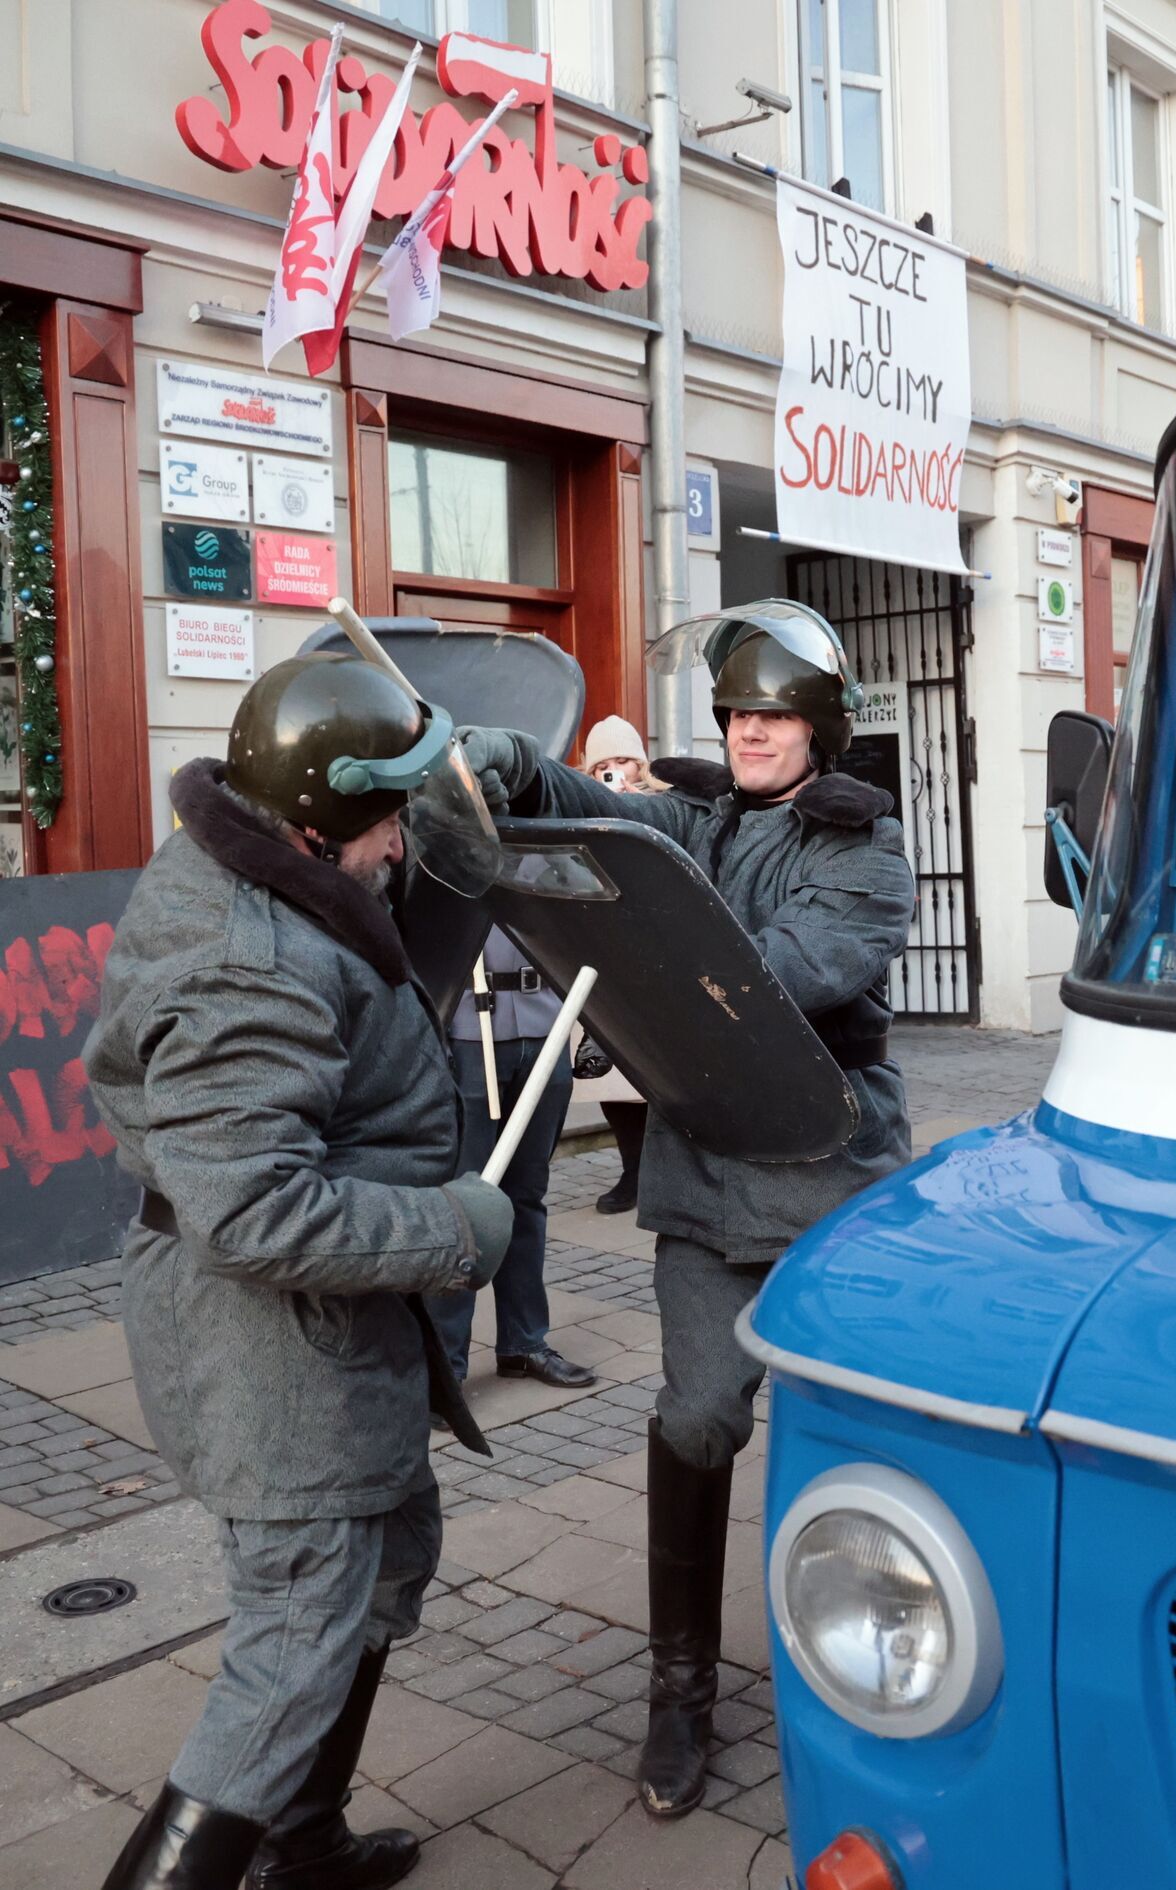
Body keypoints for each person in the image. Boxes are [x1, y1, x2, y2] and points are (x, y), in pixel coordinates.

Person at [458, 601, 915, 1819]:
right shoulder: (698, 820)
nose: (751, 732)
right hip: (708, 1188)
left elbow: (782, 980)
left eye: (773, 714)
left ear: (819, 727)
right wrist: (516, 765)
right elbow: (603, 821)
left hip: (833, 1189)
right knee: (700, 1416)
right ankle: (679, 1697)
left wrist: (659, 950)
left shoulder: (863, 852)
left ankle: (885, 1664)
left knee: (852, 1447)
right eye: (737, 714)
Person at [85, 653, 515, 1890]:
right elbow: (255, 1210)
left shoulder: (252, 842)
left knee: (382, 1563)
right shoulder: (249, 954)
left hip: (320, 1336)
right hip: (274, 1351)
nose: (399, 845)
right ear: (322, 819)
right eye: (387, 819)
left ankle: (298, 1841)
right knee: (287, 1654)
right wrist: (457, 1229)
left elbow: (412, 841)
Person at [428, 924, 595, 1390]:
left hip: (548, 1025)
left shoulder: (552, 854)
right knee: (464, 1204)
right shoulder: (449, 854)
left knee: (526, 1196)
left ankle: (524, 1342)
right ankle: (446, 1362)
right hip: (467, 1031)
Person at [576, 717, 658, 1214]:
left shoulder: (664, 807)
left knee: (656, 1071)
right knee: (607, 1070)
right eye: (601, 766)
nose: (613, 771)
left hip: (652, 957)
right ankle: (632, 1170)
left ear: (639, 761)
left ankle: (658, 1169)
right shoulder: (582, 810)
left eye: (621, 760)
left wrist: (635, 810)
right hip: (601, 954)